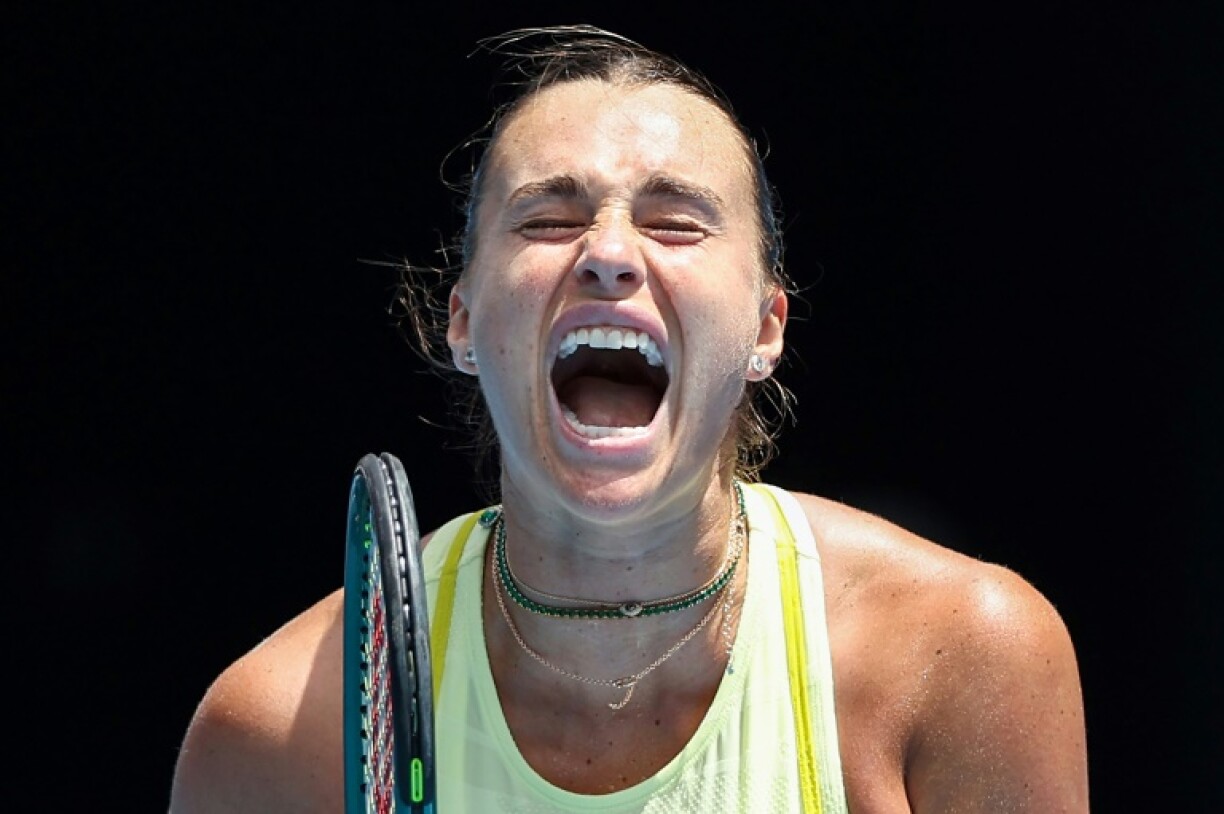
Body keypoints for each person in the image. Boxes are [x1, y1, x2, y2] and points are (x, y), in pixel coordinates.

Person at [168, 25, 1088, 813]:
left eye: (678, 222)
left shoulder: (964, 659)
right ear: (460, 320)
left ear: (767, 326)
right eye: (548, 219)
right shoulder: (277, 729)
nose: (609, 252)